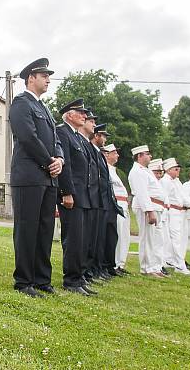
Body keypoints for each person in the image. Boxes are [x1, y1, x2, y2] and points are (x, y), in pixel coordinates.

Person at [8, 58, 64, 298]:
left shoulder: (44, 108)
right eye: (44, 75)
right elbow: (28, 137)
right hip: (29, 175)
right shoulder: (21, 103)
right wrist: (49, 161)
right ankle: (24, 281)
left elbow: (56, 140)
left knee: (44, 229)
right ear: (31, 78)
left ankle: (42, 279)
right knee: (27, 228)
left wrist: (60, 159)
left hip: (47, 177)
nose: (48, 79)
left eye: (48, 76)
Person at [55, 99, 94, 296]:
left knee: (82, 239)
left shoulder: (77, 137)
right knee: (73, 239)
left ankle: (79, 278)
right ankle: (71, 280)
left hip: (83, 196)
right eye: (80, 112)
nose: (84, 116)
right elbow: (66, 165)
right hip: (72, 195)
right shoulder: (63, 131)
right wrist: (66, 192)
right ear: (69, 115)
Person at [90, 124, 123, 278]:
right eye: (103, 135)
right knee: (97, 238)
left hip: (107, 203)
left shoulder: (104, 162)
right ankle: (96, 268)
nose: (104, 139)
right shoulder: (96, 155)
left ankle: (103, 267)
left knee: (107, 237)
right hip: (98, 201)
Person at [128, 145, 166, 278]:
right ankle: (147, 268)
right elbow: (142, 193)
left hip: (156, 206)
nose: (150, 156)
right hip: (148, 207)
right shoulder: (137, 171)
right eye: (147, 154)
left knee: (155, 239)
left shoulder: (145, 170)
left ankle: (155, 266)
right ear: (139, 156)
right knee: (147, 239)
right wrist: (149, 211)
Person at [79, 109, 104, 284]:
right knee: (79, 239)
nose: (93, 124)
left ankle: (87, 272)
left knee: (91, 239)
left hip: (93, 198)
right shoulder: (76, 140)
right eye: (91, 121)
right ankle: (78, 275)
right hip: (81, 196)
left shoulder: (89, 146)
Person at [161, 158, 190, 276]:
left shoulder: (176, 181)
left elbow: (184, 197)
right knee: (175, 239)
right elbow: (164, 198)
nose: (178, 171)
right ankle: (179, 265)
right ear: (168, 170)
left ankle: (172, 261)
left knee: (177, 239)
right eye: (176, 169)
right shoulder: (165, 181)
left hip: (178, 212)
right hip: (171, 212)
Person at [102, 144, 131, 275]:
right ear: (107, 154)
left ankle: (119, 263)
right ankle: (113, 263)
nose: (117, 155)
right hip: (116, 204)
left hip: (123, 205)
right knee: (116, 234)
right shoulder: (105, 168)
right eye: (114, 152)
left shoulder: (114, 170)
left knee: (124, 236)